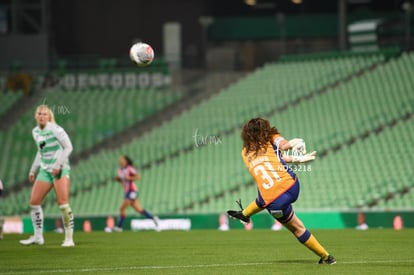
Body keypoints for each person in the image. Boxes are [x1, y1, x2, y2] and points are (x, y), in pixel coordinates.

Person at [227, 118, 336, 264]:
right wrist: (295, 149)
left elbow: (273, 158)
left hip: (274, 203)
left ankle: (245, 214)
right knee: (266, 197)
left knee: (294, 226)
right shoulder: (271, 137)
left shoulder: (244, 153)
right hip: (291, 187)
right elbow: (283, 148)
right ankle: (326, 258)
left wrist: (293, 152)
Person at [20, 105, 75, 247]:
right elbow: (41, 151)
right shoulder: (35, 132)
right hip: (45, 170)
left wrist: (58, 165)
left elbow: (69, 147)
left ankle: (69, 239)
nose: (42, 116)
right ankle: (38, 237)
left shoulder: (56, 129)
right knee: (34, 202)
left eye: (45, 114)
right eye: (39, 113)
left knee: (63, 204)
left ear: (49, 116)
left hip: (60, 168)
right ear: (35, 116)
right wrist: (33, 170)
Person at [113, 155, 159, 232]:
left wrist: (129, 178)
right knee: (139, 209)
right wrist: (118, 179)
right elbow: (120, 179)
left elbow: (138, 176)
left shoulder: (130, 168)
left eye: (122, 159)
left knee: (122, 208)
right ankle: (153, 218)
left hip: (132, 191)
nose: (120, 160)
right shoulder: (120, 170)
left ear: (126, 161)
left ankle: (119, 227)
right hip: (127, 191)